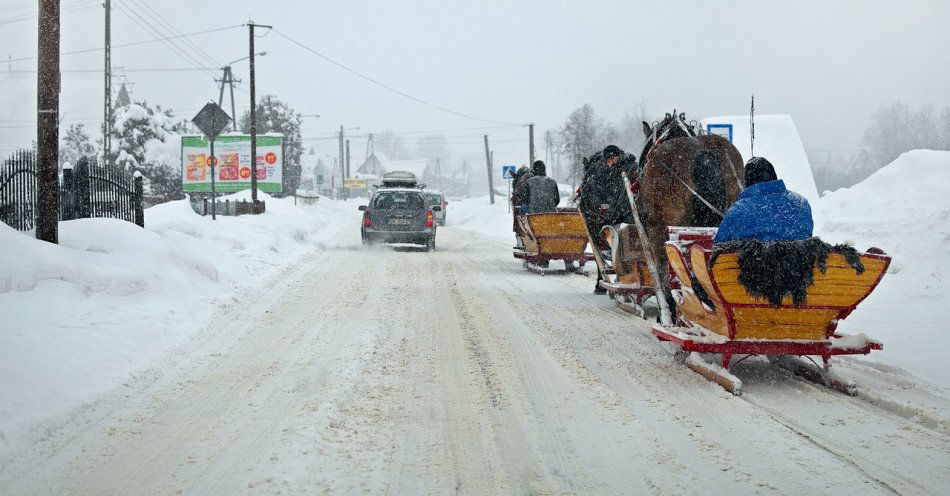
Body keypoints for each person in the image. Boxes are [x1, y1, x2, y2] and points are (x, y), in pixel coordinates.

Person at [579, 145, 638, 293]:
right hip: (630, 212)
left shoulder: (622, 170)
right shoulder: (627, 166)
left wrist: (609, 216)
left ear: (613, 157)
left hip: (627, 215)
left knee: (615, 238)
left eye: (609, 161)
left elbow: (621, 198)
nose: (608, 165)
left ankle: (624, 273)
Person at [713, 157, 813, 244]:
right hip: (798, 264)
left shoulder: (739, 209)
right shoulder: (801, 203)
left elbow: (719, 245)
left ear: (747, 181)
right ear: (774, 176)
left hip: (752, 264)